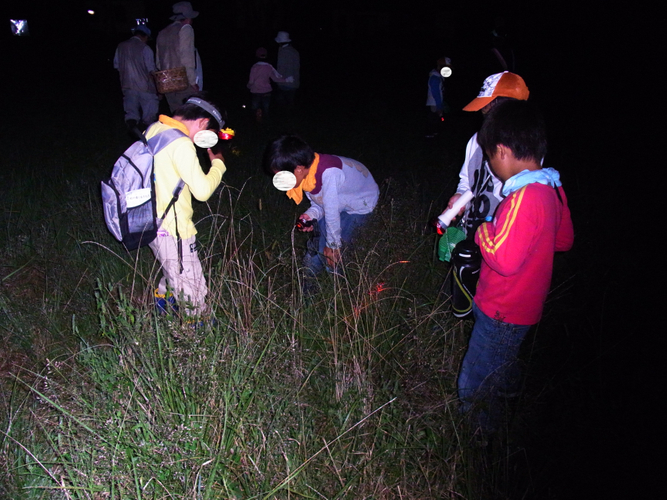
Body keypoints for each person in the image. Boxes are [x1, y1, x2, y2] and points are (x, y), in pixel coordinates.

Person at [456, 100, 574, 433]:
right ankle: (511, 394)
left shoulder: (521, 197)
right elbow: (563, 240)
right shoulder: (552, 187)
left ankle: (482, 439)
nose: (492, 166)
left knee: (474, 382)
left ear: (504, 151)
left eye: (491, 157)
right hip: (525, 308)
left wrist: (483, 228)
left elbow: (504, 260)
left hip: (501, 308)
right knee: (505, 359)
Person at [146, 97, 227, 317]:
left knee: (173, 269)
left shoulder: (155, 128)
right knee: (192, 285)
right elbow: (202, 192)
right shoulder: (181, 143)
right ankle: (196, 333)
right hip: (174, 228)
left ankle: (162, 308)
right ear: (202, 123)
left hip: (150, 222)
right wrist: (218, 164)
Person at [265, 135, 379, 283]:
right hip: (342, 201)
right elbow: (322, 203)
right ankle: (308, 278)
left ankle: (337, 286)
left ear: (298, 169)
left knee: (336, 250)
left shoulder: (329, 173)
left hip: (360, 204)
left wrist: (332, 246)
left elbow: (331, 211)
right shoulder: (308, 174)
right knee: (323, 241)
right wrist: (310, 216)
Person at [444, 72, 530, 237]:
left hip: (501, 236)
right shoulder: (476, 140)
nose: (484, 114)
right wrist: (459, 195)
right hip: (470, 230)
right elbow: (466, 181)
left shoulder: (527, 149)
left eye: (487, 107)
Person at [156, 2, 201, 112]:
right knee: (189, 115)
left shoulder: (162, 32)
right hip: (182, 80)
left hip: (166, 82)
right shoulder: (186, 29)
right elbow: (187, 57)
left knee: (176, 114)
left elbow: (158, 61)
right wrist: (192, 81)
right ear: (187, 17)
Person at [113, 25, 159, 133]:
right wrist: (157, 87)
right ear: (145, 36)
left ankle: (133, 130)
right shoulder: (145, 48)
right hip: (145, 86)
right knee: (149, 113)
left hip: (127, 84)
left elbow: (117, 65)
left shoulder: (121, 46)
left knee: (131, 112)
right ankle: (148, 133)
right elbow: (151, 69)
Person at [247, 47, 293, 123]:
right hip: (266, 91)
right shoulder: (269, 67)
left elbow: (251, 81)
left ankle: (254, 123)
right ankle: (266, 123)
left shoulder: (254, 67)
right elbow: (275, 79)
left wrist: (248, 86)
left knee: (254, 108)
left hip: (256, 91)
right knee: (266, 109)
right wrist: (286, 80)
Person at [425, 56, 451, 138]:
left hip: (438, 102)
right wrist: (439, 106)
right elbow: (435, 93)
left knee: (438, 119)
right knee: (435, 119)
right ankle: (431, 135)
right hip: (434, 103)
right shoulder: (435, 78)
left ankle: (435, 134)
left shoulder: (439, 77)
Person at [274, 31, 300, 107]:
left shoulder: (283, 52)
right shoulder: (294, 51)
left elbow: (281, 67)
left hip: (284, 82)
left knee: (281, 103)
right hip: (294, 82)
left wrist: (278, 80)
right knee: (290, 103)